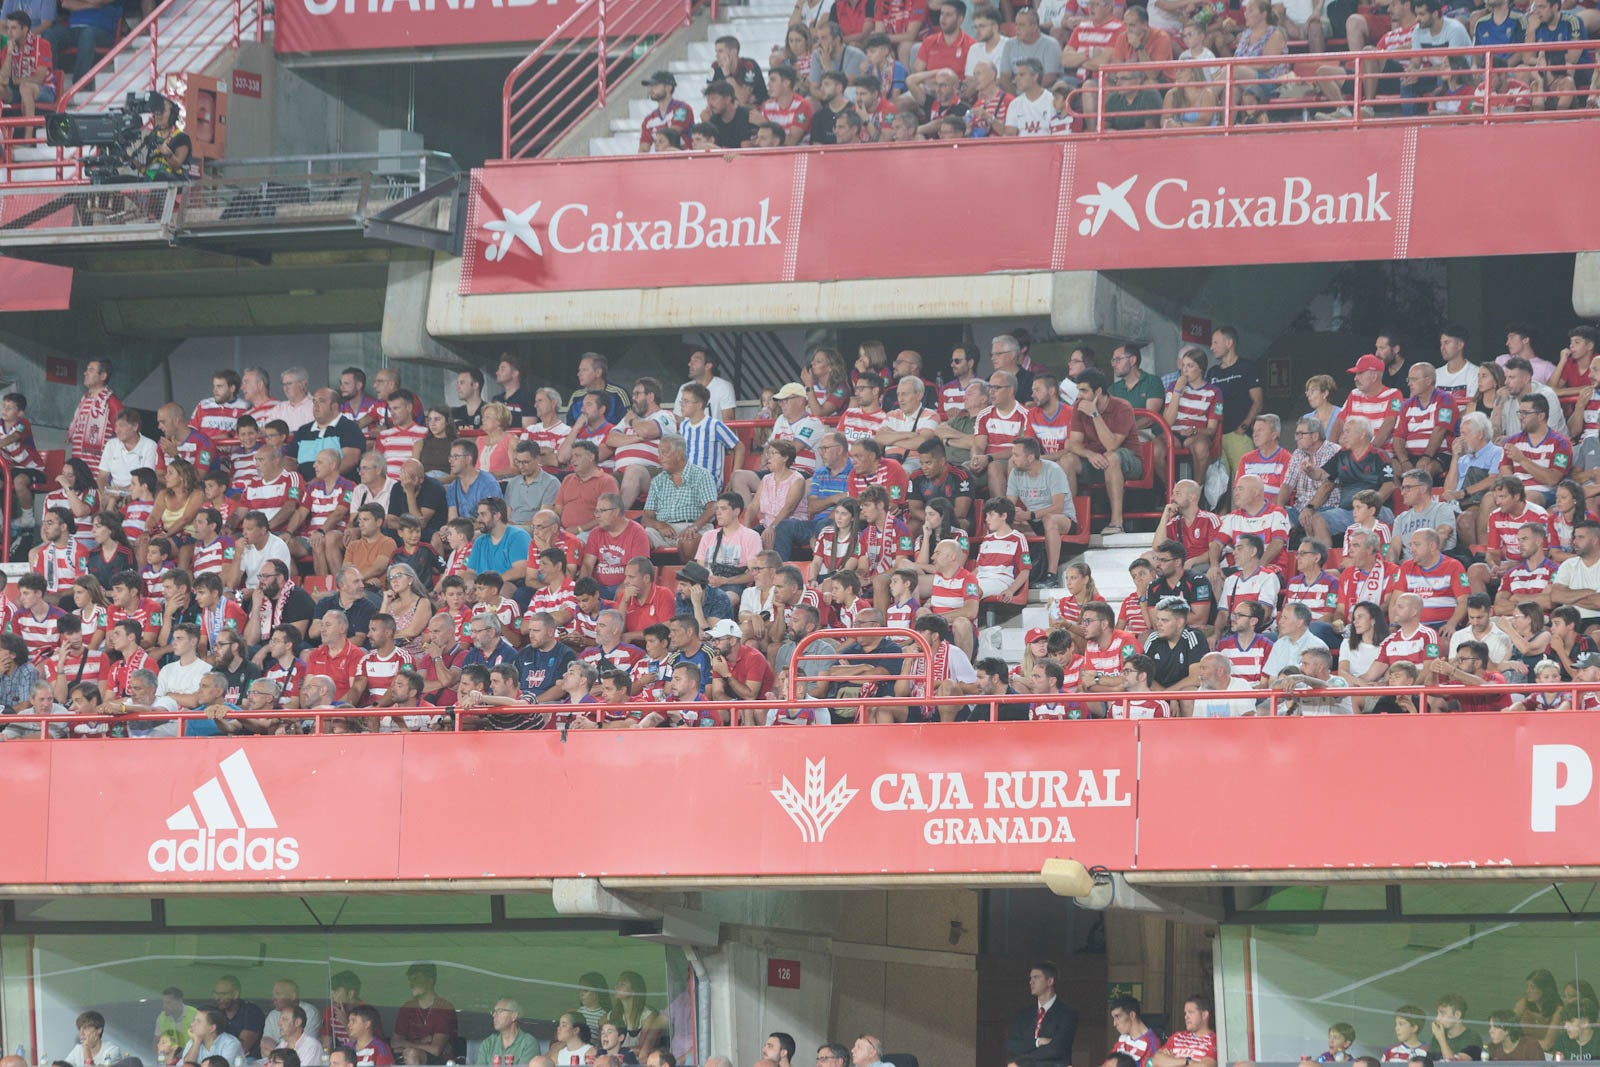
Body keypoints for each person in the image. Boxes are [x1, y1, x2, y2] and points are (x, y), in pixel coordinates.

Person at [1004, 962, 1077, 1067]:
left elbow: (1056, 1049)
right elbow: (1012, 1046)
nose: (1031, 982)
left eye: (1036, 977)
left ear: (1050, 981)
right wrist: (1037, 1042)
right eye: (1030, 978)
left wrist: (1022, 1060)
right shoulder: (1023, 1014)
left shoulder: (1068, 1014)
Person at [1150, 996, 1217, 1067]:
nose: (1186, 1017)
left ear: (1204, 1015)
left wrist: (1172, 1061)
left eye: (1190, 1012)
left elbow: (1205, 1066)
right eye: (1185, 1013)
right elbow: (1156, 1061)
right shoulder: (1177, 1037)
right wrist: (1188, 1061)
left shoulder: (1214, 1040)